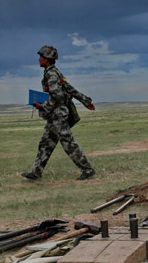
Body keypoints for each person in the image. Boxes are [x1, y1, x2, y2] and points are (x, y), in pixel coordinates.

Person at [22, 45, 96, 181]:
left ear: (48, 59)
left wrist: (42, 105)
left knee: (68, 143)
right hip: (54, 116)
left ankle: (88, 170)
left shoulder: (51, 74)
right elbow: (69, 88)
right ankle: (36, 172)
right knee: (45, 143)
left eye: (41, 57)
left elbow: (58, 96)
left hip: (57, 115)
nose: (39, 60)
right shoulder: (55, 72)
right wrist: (85, 101)